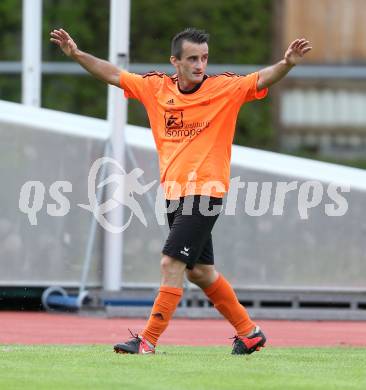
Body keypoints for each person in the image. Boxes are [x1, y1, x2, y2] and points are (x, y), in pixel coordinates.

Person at [50, 27, 312, 355]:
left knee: (170, 263)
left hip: (206, 190)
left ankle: (147, 340)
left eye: (204, 58)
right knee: (200, 272)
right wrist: (76, 54)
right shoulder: (156, 87)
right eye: (192, 58)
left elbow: (260, 79)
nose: (200, 64)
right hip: (174, 194)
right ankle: (249, 332)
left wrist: (287, 63)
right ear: (175, 61)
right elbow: (113, 74)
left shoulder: (224, 88)